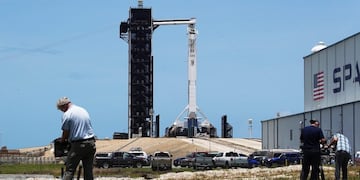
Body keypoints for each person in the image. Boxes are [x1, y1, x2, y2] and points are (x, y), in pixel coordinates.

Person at [57, 97, 96, 180]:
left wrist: (62, 140)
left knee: (70, 170)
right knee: (88, 171)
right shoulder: (83, 110)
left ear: (64, 106)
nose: (62, 111)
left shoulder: (67, 114)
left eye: (61, 109)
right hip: (91, 143)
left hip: (78, 144)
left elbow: (66, 132)